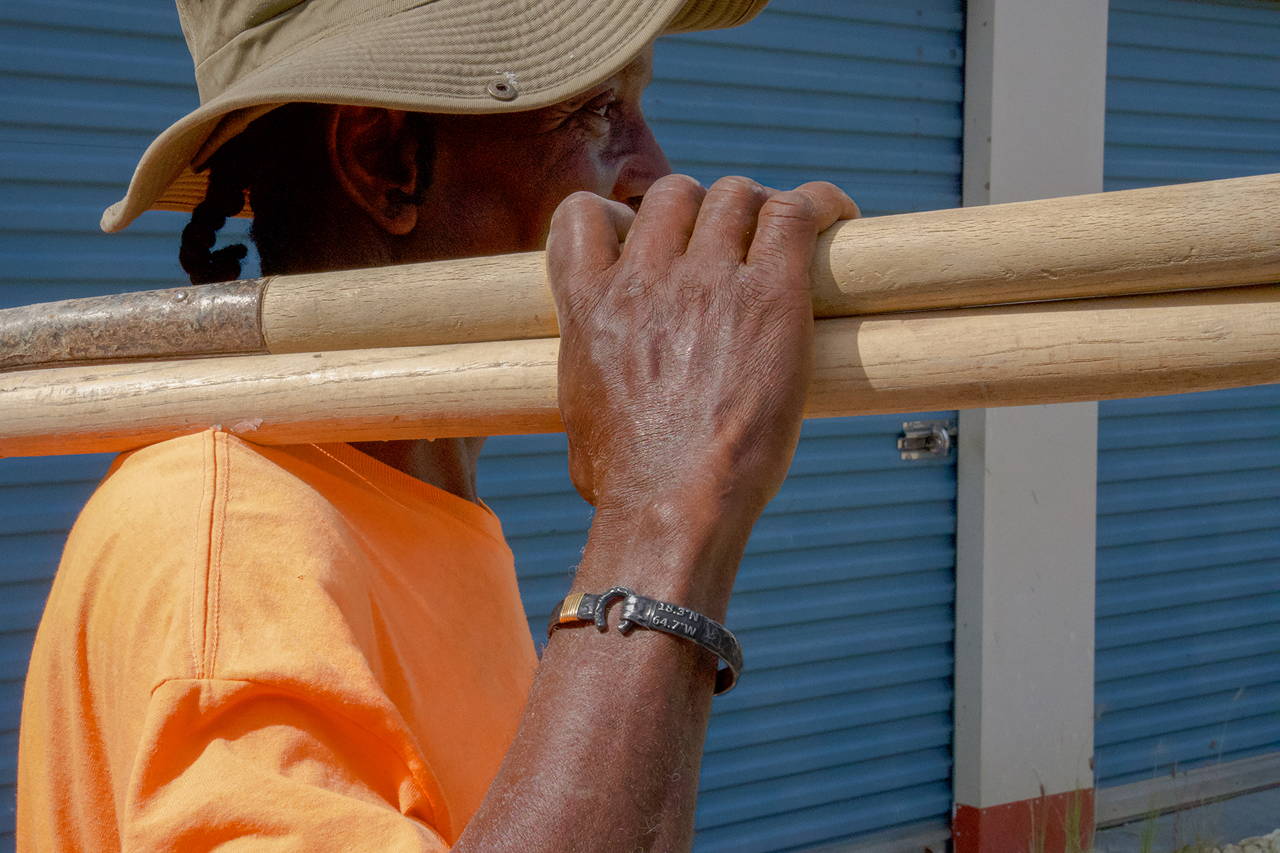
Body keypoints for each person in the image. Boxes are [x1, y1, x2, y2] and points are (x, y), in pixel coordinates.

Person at [17, 1, 858, 850]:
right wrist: (664, 508)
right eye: (598, 110)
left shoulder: (398, 509)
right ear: (385, 161)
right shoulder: (234, 548)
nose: (655, 171)